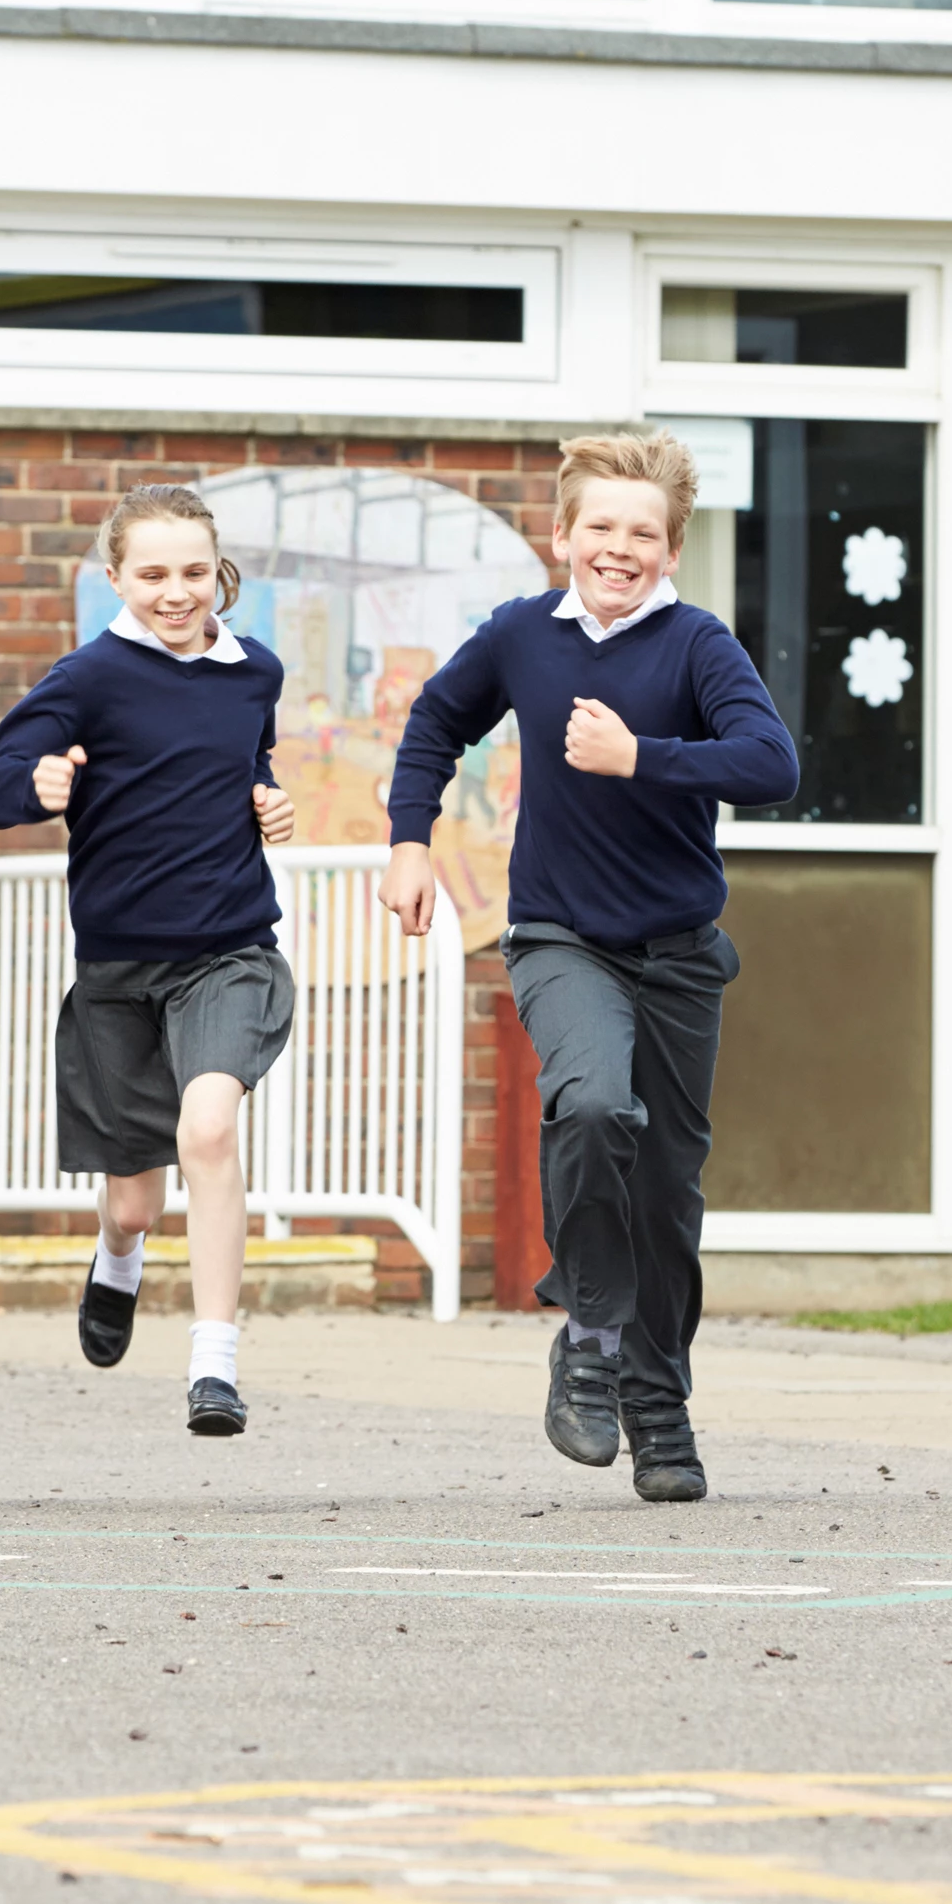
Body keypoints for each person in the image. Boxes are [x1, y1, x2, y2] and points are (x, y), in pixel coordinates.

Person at [379, 431, 799, 1502]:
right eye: (600, 527)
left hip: (680, 958)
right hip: (561, 937)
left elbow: (771, 763)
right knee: (596, 1104)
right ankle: (590, 1333)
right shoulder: (524, 636)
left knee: (667, 1198)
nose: (620, 547)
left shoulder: (699, 647)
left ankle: (658, 1408)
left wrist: (641, 758)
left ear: (671, 551)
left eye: (643, 533)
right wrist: (410, 841)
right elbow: (435, 722)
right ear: (561, 535)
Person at [0, 483, 297, 1437]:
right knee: (136, 1203)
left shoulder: (253, 672)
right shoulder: (88, 679)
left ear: (217, 571)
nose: (176, 591)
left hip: (229, 951)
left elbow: (248, 765)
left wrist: (267, 801)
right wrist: (38, 781)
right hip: (119, 971)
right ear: (115, 577)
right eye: (152, 574)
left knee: (209, 1130)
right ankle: (118, 1257)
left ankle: (215, 1364)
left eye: (194, 572)